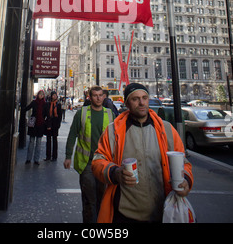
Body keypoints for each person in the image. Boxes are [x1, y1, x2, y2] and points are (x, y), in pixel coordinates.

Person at [92, 82, 193, 223]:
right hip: (125, 215)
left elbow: (184, 163)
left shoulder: (167, 130)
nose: (141, 103)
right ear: (127, 103)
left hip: (162, 213)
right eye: (135, 99)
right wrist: (114, 173)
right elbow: (97, 161)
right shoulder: (113, 131)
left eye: (144, 98)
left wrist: (186, 181)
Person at [64, 86, 114, 223]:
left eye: (100, 95)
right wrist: (68, 156)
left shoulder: (110, 114)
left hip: (104, 163)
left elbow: (116, 138)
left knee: (103, 199)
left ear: (104, 97)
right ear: (90, 97)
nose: (98, 98)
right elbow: (72, 135)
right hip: (87, 164)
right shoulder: (82, 113)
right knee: (89, 200)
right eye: (95, 95)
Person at [24, 90, 47, 165]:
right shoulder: (34, 102)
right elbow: (27, 108)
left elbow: (47, 114)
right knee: (31, 142)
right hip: (33, 124)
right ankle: (28, 159)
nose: (41, 95)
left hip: (40, 125)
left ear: (43, 96)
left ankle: (36, 159)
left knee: (39, 143)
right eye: (40, 94)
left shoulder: (44, 104)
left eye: (42, 94)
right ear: (38, 95)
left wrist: (45, 121)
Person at [45, 91, 62, 161]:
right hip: (49, 123)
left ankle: (54, 156)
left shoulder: (58, 105)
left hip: (55, 124)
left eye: (55, 95)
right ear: (51, 96)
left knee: (55, 140)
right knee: (48, 140)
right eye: (53, 95)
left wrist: (58, 124)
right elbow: (46, 113)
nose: (54, 97)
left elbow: (60, 115)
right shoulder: (48, 104)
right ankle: (48, 156)